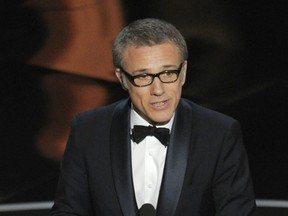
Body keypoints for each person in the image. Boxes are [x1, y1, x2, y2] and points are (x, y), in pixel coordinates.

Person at [51, 18, 255, 216]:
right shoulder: (88, 130)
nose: (158, 90)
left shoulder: (219, 133)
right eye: (143, 76)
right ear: (122, 78)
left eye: (167, 73)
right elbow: (68, 210)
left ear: (183, 72)